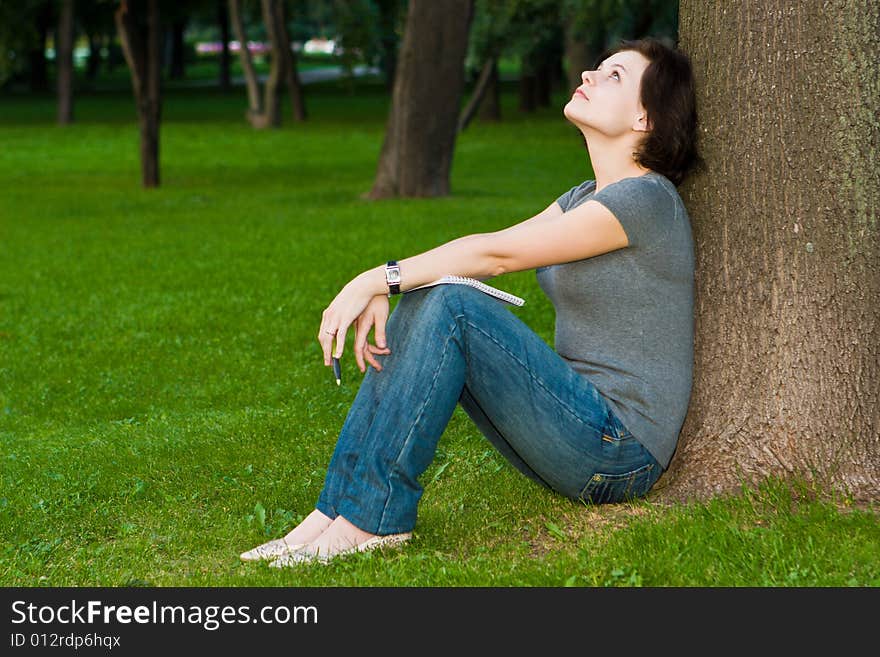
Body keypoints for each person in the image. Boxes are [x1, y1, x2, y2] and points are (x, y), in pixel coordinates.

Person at [241, 36, 701, 566]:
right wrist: (397, 281)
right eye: (597, 68)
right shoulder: (585, 197)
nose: (591, 76)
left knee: (452, 303)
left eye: (615, 76)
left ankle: (373, 519)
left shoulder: (646, 200)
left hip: (619, 452)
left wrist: (375, 279)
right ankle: (331, 514)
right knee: (435, 287)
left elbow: (496, 256)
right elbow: (485, 247)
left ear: (645, 118)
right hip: (577, 426)